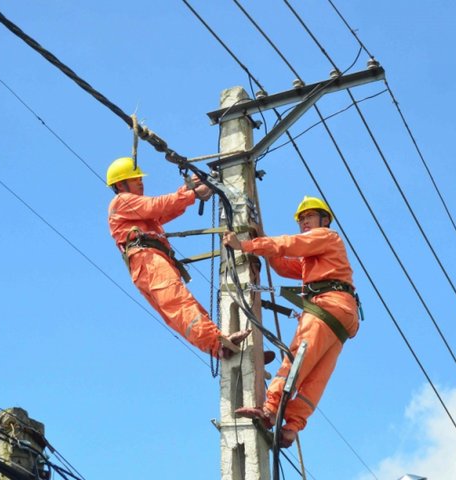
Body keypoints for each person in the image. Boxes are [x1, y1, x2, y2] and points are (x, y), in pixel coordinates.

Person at [223, 196, 360, 448]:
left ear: (324, 220)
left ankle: (270, 408)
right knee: (316, 377)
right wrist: (263, 243)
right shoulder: (317, 257)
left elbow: (290, 244)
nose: (304, 222)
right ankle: (292, 426)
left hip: (328, 306)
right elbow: (284, 266)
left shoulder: (327, 236)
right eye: (301, 219)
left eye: (309, 216)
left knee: (297, 358)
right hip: (342, 318)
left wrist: (246, 245)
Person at [106, 156, 250, 358]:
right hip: (147, 260)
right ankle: (216, 343)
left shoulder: (135, 210)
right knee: (178, 304)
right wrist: (193, 194)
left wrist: (190, 189)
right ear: (121, 184)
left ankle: (217, 344)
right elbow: (158, 206)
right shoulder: (122, 201)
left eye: (141, 178)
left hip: (148, 263)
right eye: (135, 179)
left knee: (179, 308)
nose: (141, 182)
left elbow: (166, 209)